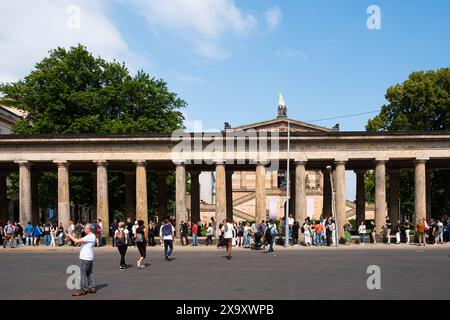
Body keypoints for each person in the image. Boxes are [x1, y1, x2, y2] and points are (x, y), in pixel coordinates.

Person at [65, 224, 97, 296]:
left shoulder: (90, 236)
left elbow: (76, 241)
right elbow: (80, 242)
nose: (84, 229)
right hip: (89, 257)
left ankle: (83, 289)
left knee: (83, 274)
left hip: (85, 258)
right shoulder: (92, 236)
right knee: (89, 273)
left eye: (85, 228)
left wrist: (70, 236)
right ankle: (91, 287)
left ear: (89, 229)